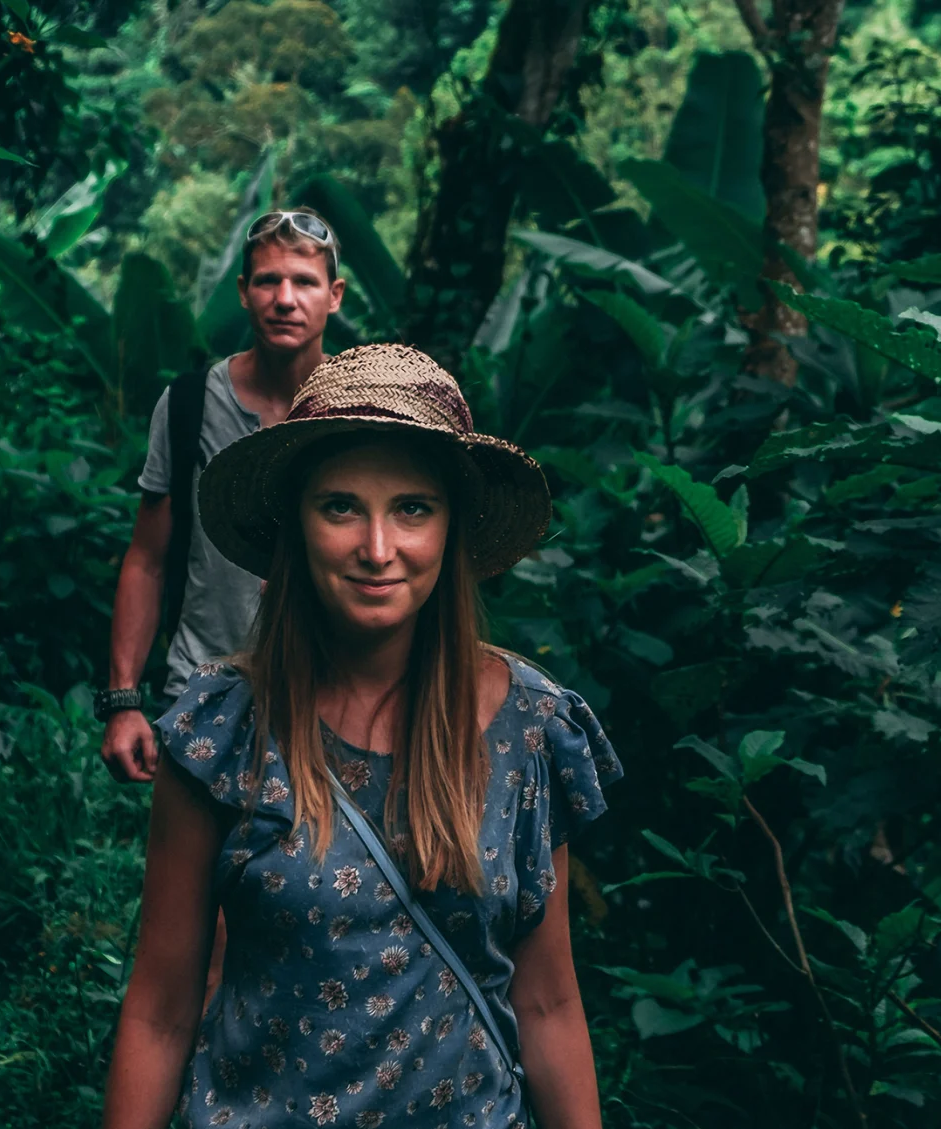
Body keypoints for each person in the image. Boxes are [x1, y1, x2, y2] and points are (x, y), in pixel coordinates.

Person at [100, 344, 622, 1129]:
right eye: (341, 506)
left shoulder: (531, 727)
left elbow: (546, 1001)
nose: (378, 549)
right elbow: (162, 1008)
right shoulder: (221, 730)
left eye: (412, 507)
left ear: (451, 527)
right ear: (296, 523)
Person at [95, 209, 346, 783]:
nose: (285, 299)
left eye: (304, 282)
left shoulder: (355, 411)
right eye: (268, 281)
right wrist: (123, 701)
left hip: (334, 696)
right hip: (204, 691)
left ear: (333, 296)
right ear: (243, 292)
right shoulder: (189, 406)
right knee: (191, 873)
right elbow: (147, 559)